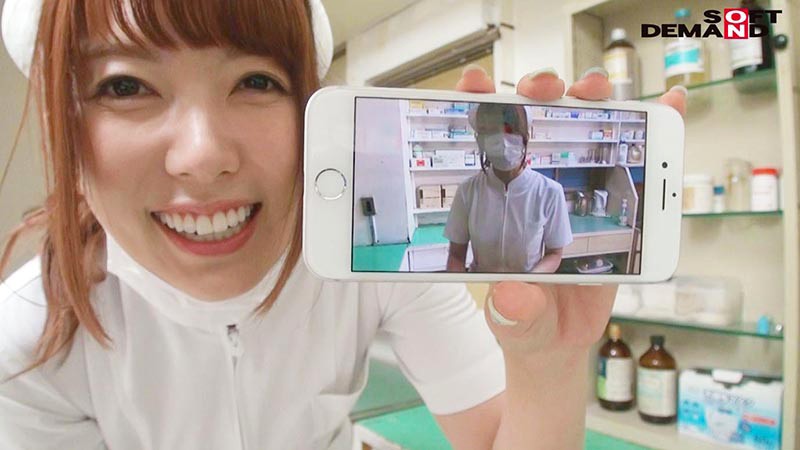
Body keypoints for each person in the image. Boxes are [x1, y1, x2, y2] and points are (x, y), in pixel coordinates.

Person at [0, 1, 687, 449]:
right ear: (65, 128)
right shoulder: (28, 344)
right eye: (124, 85)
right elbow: (456, 246)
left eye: (256, 81)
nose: (203, 157)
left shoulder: (372, 272)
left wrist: (550, 362)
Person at [444, 102, 573, 273]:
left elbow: (554, 254)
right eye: (492, 131)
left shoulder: (549, 192)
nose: (503, 141)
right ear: (480, 140)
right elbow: (456, 255)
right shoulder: (467, 191)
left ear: (526, 137)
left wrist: (530, 280)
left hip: (528, 285)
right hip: (481, 285)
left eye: (509, 130)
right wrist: (460, 285)